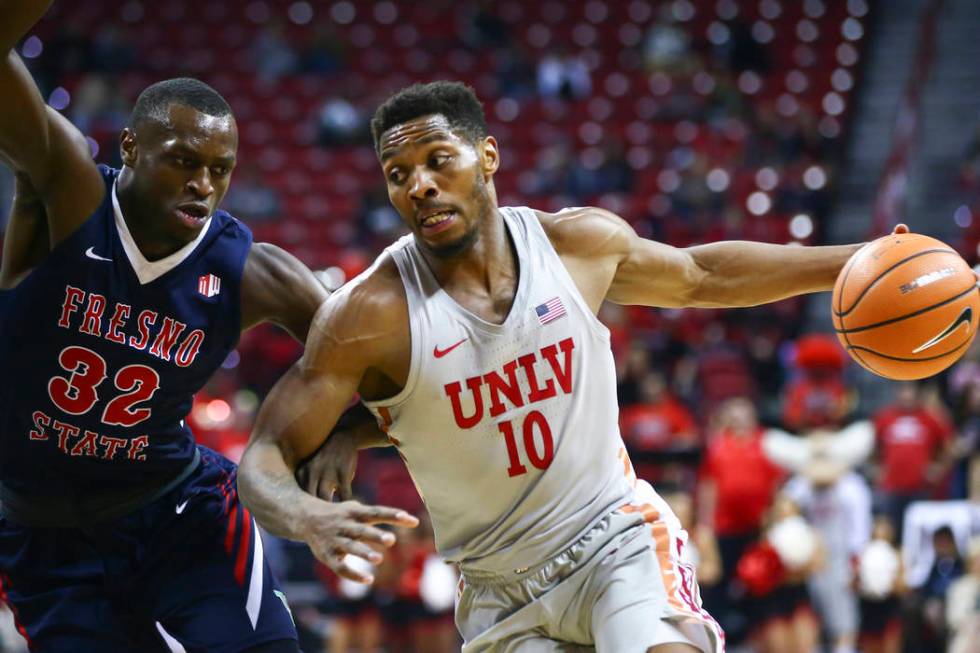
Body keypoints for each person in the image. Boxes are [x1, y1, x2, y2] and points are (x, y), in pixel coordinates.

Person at [238, 81, 879, 652]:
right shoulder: (369, 316)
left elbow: (702, 274)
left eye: (437, 161)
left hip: (615, 541)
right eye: (397, 172)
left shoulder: (575, 247)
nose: (419, 184)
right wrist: (307, 517)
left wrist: (858, 260)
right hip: (497, 588)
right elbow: (265, 454)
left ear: (487, 157)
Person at [0, 5, 414, 650]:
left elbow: (403, 375)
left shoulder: (254, 271)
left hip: (176, 515)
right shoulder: (69, 192)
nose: (202, 184)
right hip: (43, 539)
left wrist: (350, 434)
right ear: (131, 147)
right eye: (183, 161)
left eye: (220, 170)